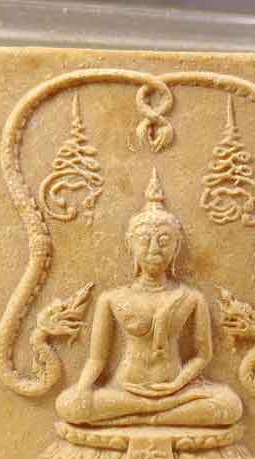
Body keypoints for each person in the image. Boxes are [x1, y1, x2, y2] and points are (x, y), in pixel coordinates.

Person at [56, 169, 243, 427]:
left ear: (176, 247)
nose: (154, 249)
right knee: (68, 404)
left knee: (229, 404)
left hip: (176, 390)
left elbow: (203, 355)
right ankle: (152, 411)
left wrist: (178, 383)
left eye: (164, 241)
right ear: (130, 246)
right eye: (145, 240)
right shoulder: (112, 299)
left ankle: (147, 416)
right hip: (125, 390)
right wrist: (83, 388)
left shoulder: (191, 298)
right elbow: (96, 359)